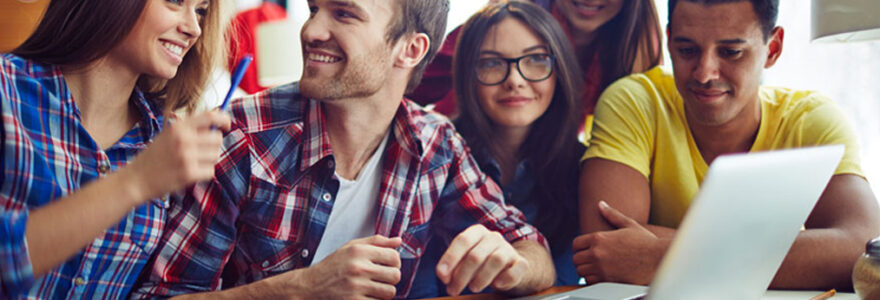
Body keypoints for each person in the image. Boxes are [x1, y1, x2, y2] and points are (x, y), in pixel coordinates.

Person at [133, 0, 556, 299]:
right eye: (315, 9)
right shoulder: (241, 137)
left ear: (410, 49)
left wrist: (514, 264)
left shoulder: (434, 145)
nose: (311, 30)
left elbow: (534, 253)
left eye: (345, 13)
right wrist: (300, 290)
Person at [574, 0, 880, 291]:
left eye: (731, 52)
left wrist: (661, 256)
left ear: (772, 49)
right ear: (668, 42)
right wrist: (796, 255)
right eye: (687, 50)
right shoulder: (634, 102)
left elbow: (863, 248)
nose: (705, 73)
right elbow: (605, 247)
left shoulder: (810, 118)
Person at [0, 0, 231, 298]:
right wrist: (135, 182)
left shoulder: (171, 143)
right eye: (175, 1)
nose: (194, 28)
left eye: (201, 11)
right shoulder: (7, 92)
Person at [410, 1, 585, 297]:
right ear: (467, 75)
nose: (515, 80)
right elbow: (419, 286)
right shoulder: (434, 153)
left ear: (560, 70)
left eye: (535, 60)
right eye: (491, 63)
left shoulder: (582, 169)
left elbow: (561, 286)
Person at [409, 0, 661, 137]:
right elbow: (407, 82)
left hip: (543, 174)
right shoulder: (504, 24)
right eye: (493, 63)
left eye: (537, 60)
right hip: (465, 147)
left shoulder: (636, 51)